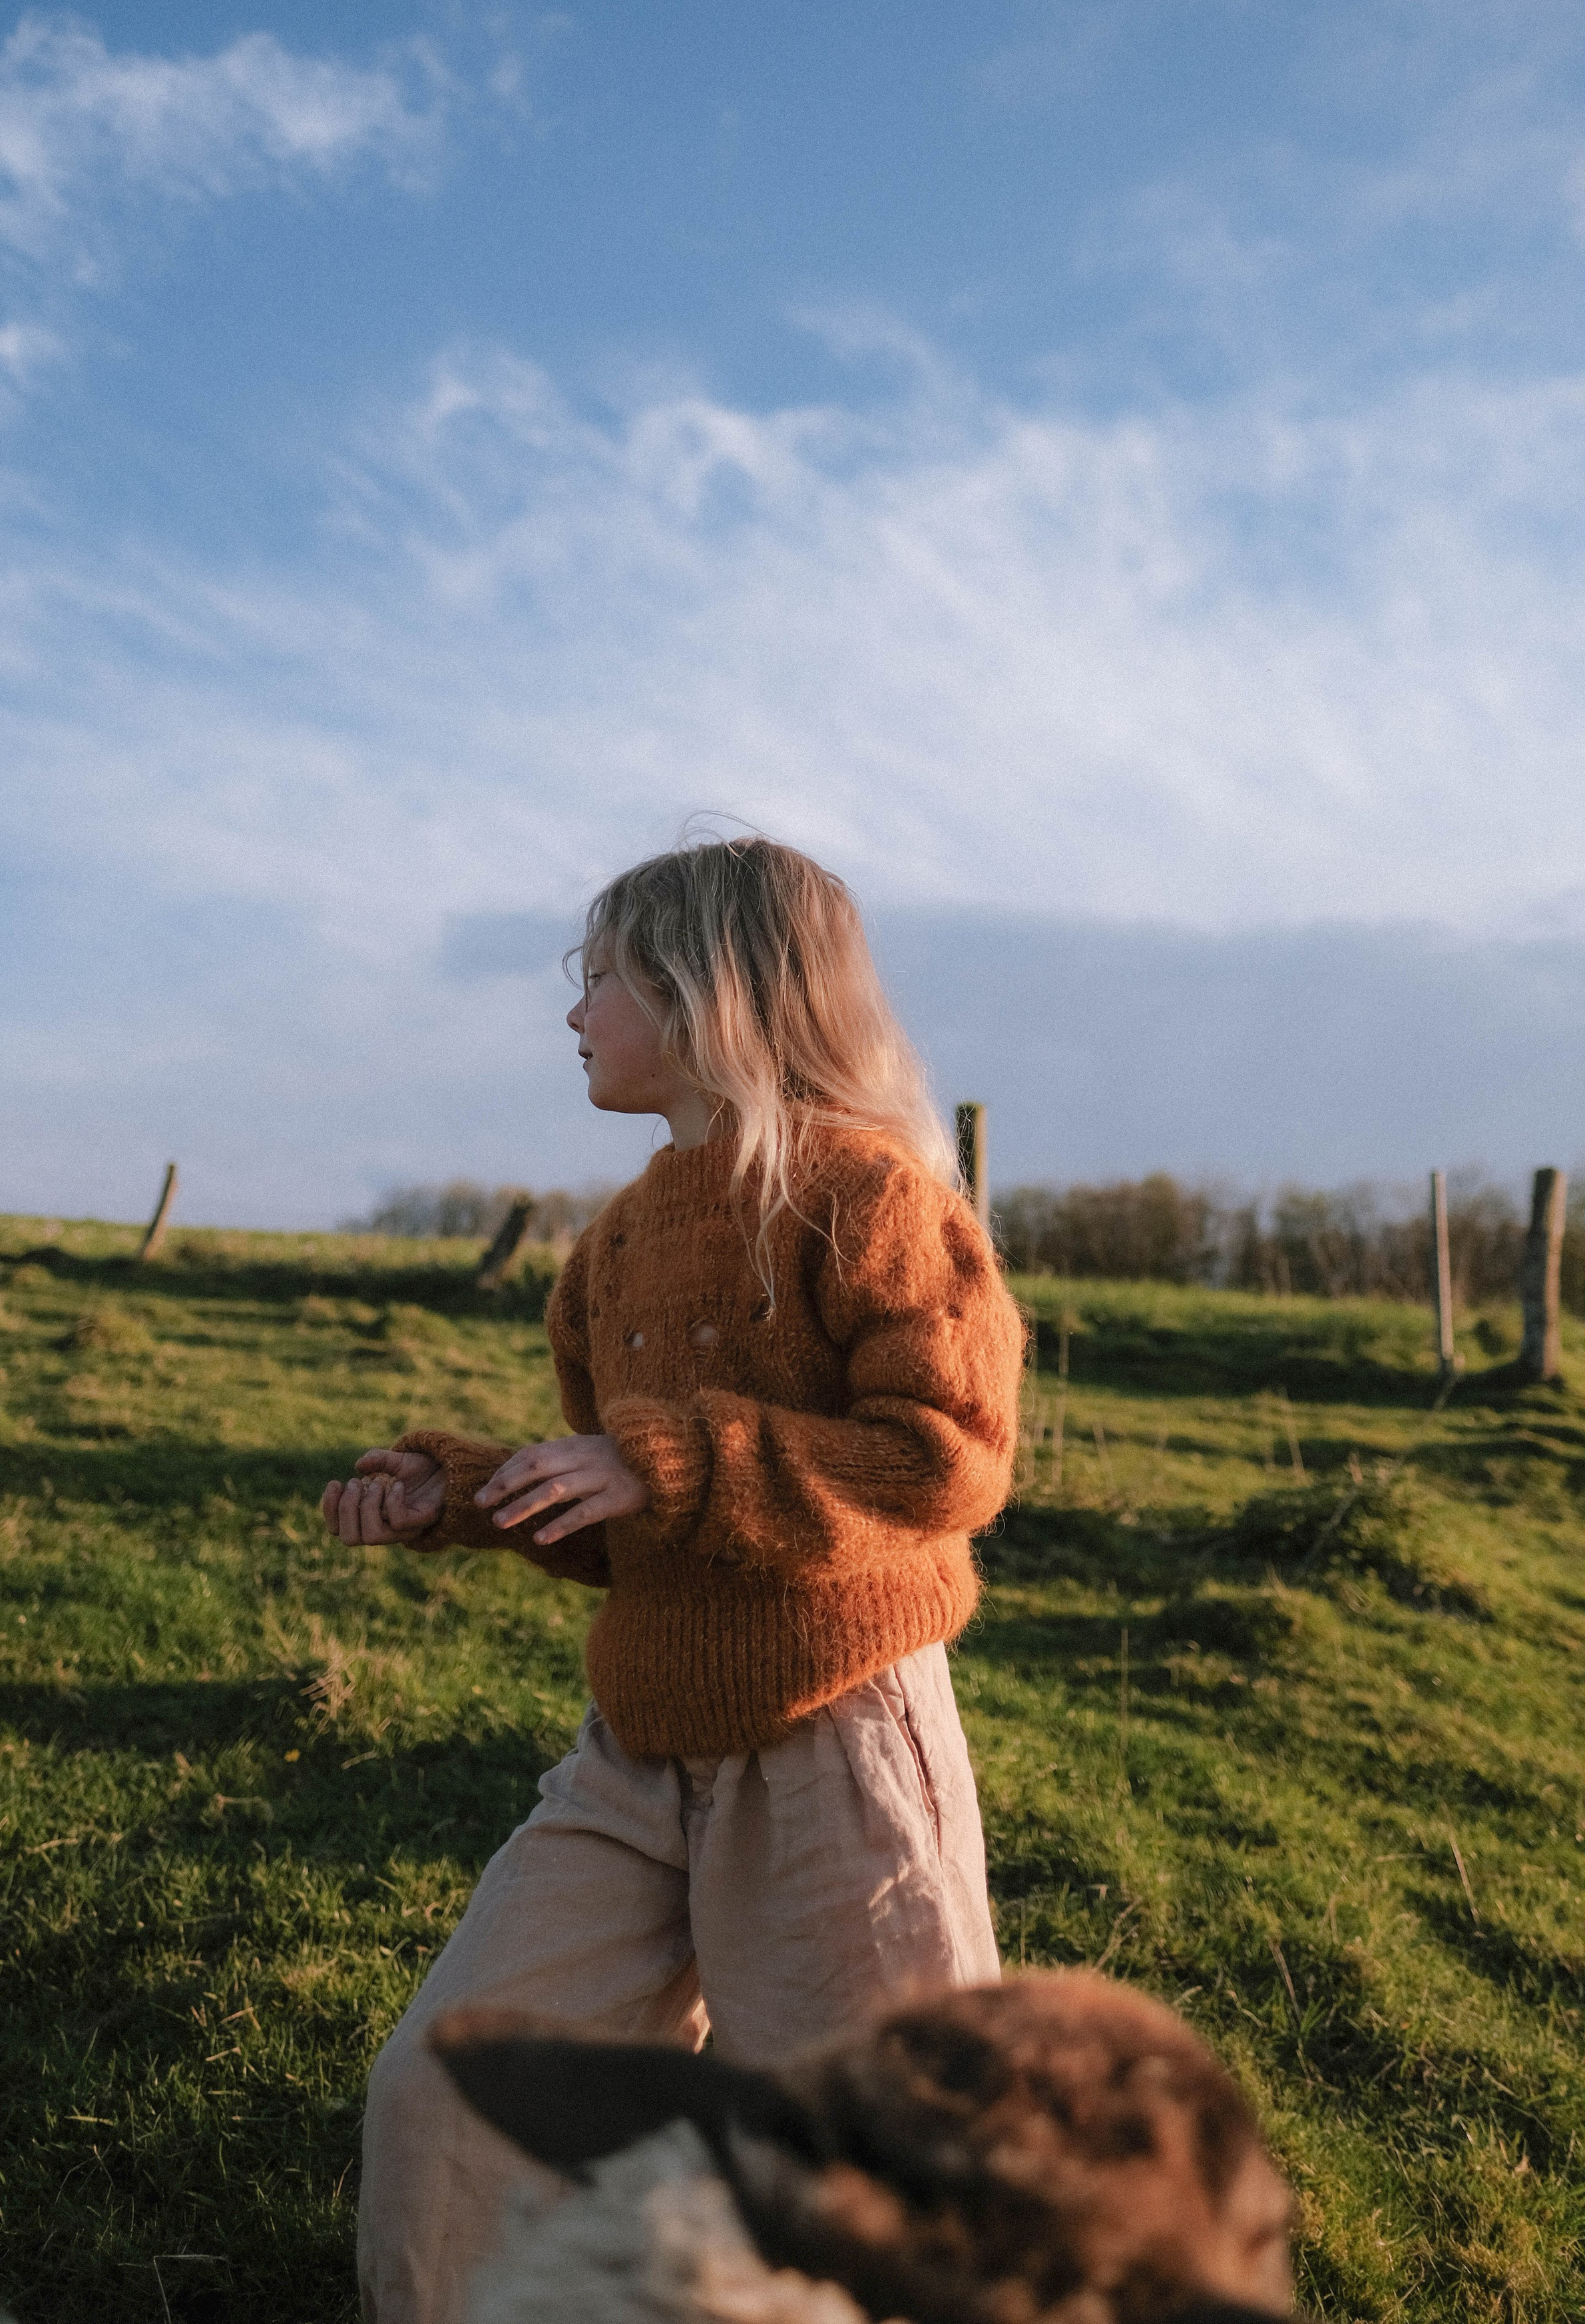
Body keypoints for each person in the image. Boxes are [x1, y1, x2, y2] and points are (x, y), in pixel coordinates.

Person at [322, 834, 1025, 2324]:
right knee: (446, 2096)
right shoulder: (614, 1246)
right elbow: (626, 1512)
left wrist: (672, 1460)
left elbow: (946, 1457)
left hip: (833, 1745)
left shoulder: (872, 1199)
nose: (574, 1012)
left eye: (600, 979)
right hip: (636, 1755)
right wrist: (461, 1495)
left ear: (712, 993)